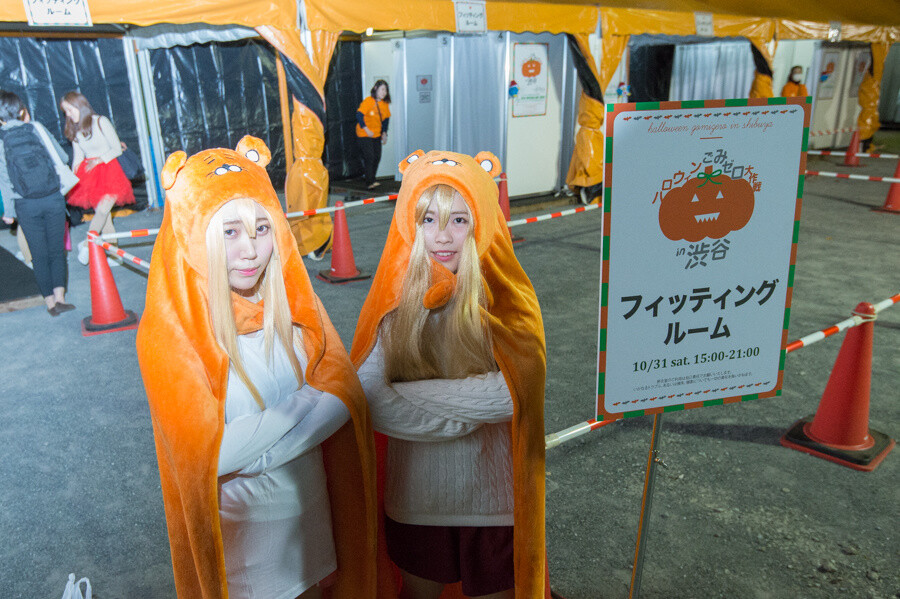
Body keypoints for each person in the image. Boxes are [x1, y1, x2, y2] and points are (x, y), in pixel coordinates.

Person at [136, 136, 378, 599]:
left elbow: (347, 398)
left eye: (261, 229)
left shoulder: (290, 312)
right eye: (229, 232)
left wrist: (261, 453)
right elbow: (211, 456)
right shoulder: (172, 335)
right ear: (195, 237)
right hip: (248, 559)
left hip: (311, 534)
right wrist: (311, 398)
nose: (250, 250)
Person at [351, 150, 548, 599]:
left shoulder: (507, 299)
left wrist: (412, 390)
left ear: (482, 219)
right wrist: (468, 417)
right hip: (416, 502)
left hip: (495, 507)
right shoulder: (392, 304)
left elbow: (513, 395)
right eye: (427, 219)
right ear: (409, 224)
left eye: (459, 219)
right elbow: (371, 401)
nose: (442, 236)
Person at [0, 90, 75, 315]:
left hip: (25, 203)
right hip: (53, 197)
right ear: (22, 110)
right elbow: (62, 158)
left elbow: (4, 180)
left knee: (38, 254)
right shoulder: (37, 128)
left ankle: (50, 303)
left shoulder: (2, 141)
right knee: (56, 250)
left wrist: (9, 213)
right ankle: (61, 298)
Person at [59, 91, 134, 265]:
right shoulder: (75, 130)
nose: (68, 115)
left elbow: (116, 148)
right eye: (65, 112)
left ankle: (87, 244)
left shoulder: (101, 121)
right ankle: (115, 255)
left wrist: (100, 159)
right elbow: (78, 158)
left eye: (70, 110)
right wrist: (72, 178)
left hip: (111, 172)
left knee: (102, 211)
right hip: (91, 176)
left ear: (80, 105)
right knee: (105, 217)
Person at [356, 80, 391, 190]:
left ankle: (372, 179)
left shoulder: (384, 104)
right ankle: (369, 182)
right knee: (369, 156)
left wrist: (384, 133)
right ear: (376, 88)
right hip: (364, 134)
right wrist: (366, 129)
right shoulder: (368, 101)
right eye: (382, 89)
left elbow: (385, 119)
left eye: (385, 90)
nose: (384, 92)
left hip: (376, 134)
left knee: (377, 156)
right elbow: (359, 115)